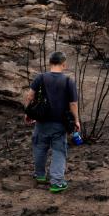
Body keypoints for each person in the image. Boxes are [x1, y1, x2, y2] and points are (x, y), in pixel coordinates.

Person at [23, 51, 80, 193]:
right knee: (59, 151)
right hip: (59, 123)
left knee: (39, 147)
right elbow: (73, 104)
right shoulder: (68, 81)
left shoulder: (41, 77)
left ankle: (40, 175)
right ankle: (57, 182)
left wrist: (28, 113)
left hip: (41, 122)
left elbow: (30, 95)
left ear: (50, 63)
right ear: (64, 64)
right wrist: (76, 121)